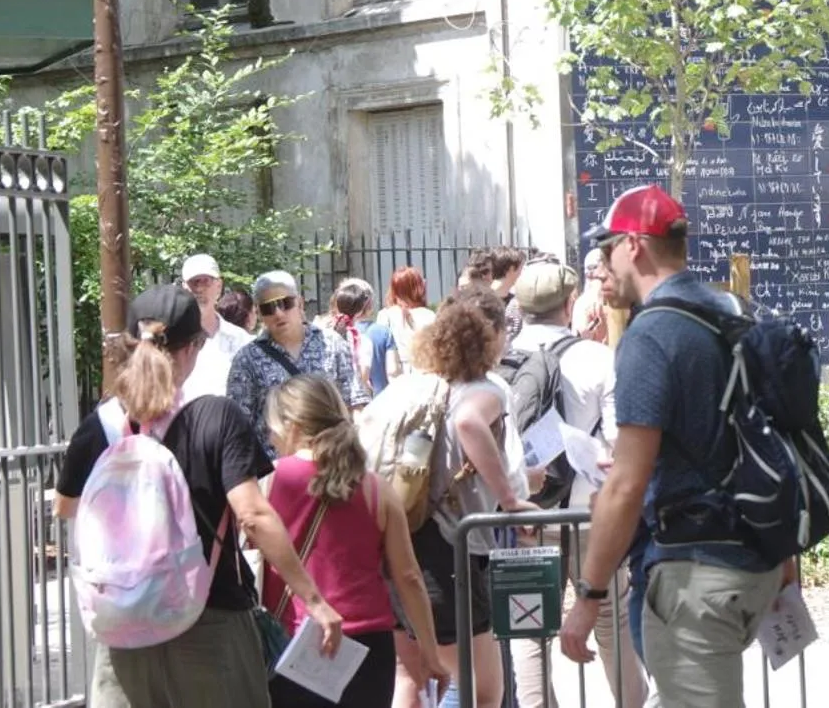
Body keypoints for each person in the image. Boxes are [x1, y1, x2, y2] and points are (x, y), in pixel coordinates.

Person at [54, 283, 345, 707]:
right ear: (193, 346)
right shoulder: (215, 417)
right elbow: (253, 516)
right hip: (210, 622)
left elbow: (66, 506)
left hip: (123, 625)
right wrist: (314, 600)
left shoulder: (99, 426)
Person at [559, 185, 787, 707]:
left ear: (633, 246)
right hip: (754, 555)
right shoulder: (733, 311)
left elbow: (626, 482)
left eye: (606, 249)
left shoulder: (651, 334)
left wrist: (590, 595)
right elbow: (769, 434)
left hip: (694, 571)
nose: (601, 266)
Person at [506, 258, 647, 708]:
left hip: (523, 514)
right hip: (589, 514)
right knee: (611, 620)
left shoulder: (500, 358)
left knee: (528, 627)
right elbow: (618, 439)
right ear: (570, 303)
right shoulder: (597, 358)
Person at [260, 375, 449, 708]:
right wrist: (430, 654)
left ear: (292, 426)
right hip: (369, 645)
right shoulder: (377, 489)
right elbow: (408, 577)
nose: (271, 439)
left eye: (272, 429)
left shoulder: (268, 482)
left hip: (293, 641)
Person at [393, 287, 533, 708]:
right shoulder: (485, 391)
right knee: (482, 689)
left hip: (401, 539)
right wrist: (511, 500)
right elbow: (470, 423)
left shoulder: (419, 389)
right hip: (449, 551)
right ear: (488, 341)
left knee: (412, 678)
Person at [226, 271, 368, 454]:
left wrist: (359, 452)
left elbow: (354, 403)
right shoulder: (247, 360)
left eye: (285, 303)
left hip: (330, 461)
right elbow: (239, 426)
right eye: (268, 308)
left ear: (300, 303)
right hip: (277, 466)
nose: (278, 313)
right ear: (259, 313)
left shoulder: (333, 344)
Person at [178, 253, 252, 401]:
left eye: (206, 281)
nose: (199, 289)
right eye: (194, 282)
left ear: (219, 286)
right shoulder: (171, 341)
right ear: (184, 288)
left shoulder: (242, 341)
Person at [374, 267, 436, 380]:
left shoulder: (385, 315)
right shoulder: (429, 316)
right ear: (418, 288)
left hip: (395, 375)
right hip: (425, 373)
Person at [464, 247, 528, 343]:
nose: (523, 273)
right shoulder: (482, 301)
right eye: (521, 268)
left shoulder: (515, 300)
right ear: (511, 269)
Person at [325, 278, 377, 397]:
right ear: (360, 311)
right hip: (353, 398)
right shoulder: (361, 340)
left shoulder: (323, 333)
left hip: (329, 397)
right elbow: (363, 376)